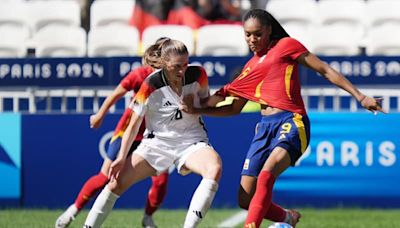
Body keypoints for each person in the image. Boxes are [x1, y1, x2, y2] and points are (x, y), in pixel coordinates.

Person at [183, 9, 385, 228]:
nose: (252, 40)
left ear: (269, 29)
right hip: (264, 129)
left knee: (266, 175)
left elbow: (325, 70)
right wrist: (200, 110)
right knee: (245, 199)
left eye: (258, 34)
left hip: (292, 120)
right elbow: (234, 108)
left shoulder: (286, 46)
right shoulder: (249, 68)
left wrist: (360, 96)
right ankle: (287, 218)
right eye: (248, 35)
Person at [83, 39, 222, 228]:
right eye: (176, 67)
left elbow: (206, 103)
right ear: (164, 64)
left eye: (185, 64)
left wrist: (221, 95)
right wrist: (122, 157)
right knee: (115, 184)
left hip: (191, 141)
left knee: (214, 167)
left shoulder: (198, 74)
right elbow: (133, 125)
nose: (182, 71)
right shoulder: (150, 85)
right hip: (156, 144)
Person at [55, 38, 171, 228]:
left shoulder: (173, 79)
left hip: (154, 135)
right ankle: (73, 210)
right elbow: (116, 94)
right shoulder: (139, 75)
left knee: (161, 181)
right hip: (127, 131)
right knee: (105, 177)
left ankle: (148, 218)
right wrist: (100, 115)